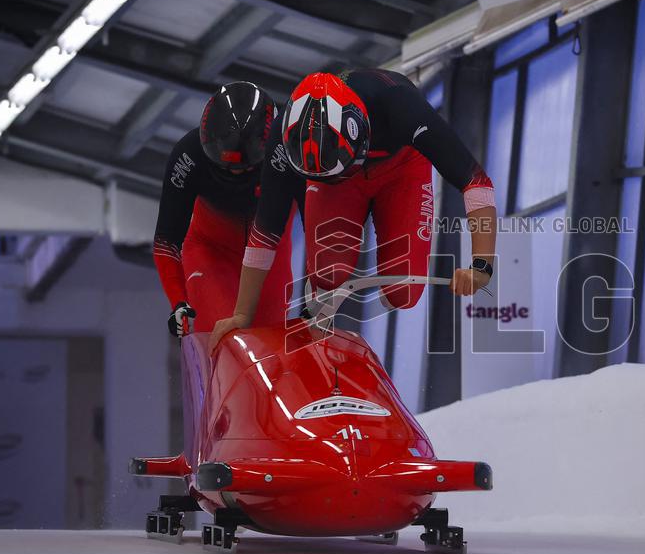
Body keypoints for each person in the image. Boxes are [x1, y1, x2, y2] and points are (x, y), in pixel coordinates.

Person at [209, 69, 497, 347]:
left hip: (402, 170)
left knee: (404, 293)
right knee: (328, 274)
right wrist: (242, 313)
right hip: (338, 189)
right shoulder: (283, 138)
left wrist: (482, 265)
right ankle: (319, 298)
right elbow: (267, 227)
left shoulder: (401, 106)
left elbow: (476, 181)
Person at [153, 81, 297, 337]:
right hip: (211, 253)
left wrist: (318, 288)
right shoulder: (188, 156)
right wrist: (178, 301)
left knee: (268, 346)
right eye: (225, 167)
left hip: (270, 257)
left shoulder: (288, 154)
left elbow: (315, 219)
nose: (235, 173)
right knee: (224, 335)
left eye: (244, 169)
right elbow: (166, 241)